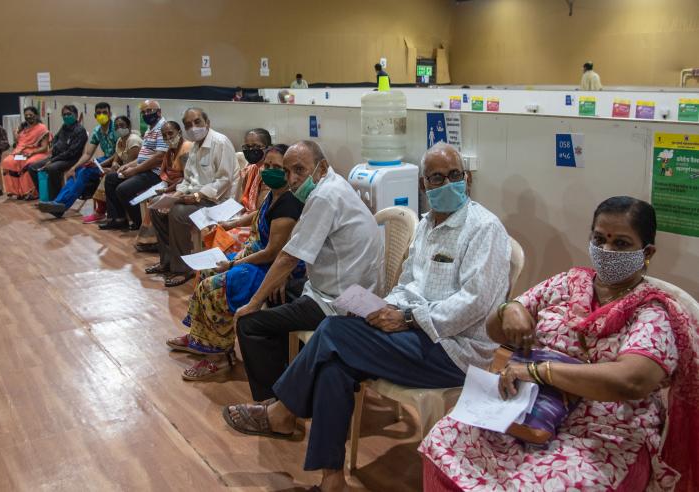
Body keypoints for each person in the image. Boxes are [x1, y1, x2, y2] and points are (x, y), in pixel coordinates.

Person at [223, 143, 511, 492]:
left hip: (453, 349)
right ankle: (332, 480)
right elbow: (407, 282)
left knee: (331, 332)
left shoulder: (484, 228)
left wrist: (406, 319)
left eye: (455, 176)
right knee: (334, 366)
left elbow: (475, 304)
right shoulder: (425, 226)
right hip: (412, 331)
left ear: (466, 178)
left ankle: (282, 412)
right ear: (424, 185)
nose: (448, 183)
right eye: (437, 178)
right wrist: (383, 309)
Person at [421, 196, 699, 492]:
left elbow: (632, 381)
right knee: (445, 439)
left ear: (647, 252)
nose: (606, 250)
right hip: (525, 404)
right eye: (599, 238)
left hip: (602, 430)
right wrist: (509, 309)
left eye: (621, 244)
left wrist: (538, 371)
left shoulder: (652, 311)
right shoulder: (567, 283)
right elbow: (495, 331)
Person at [223, 140, 382, 405]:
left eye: (299, 170)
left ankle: (278, 405)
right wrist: (282, 278)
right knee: (278, 292)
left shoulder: (324, 196)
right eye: (287, 172)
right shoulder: (332, 184)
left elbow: (287, 257)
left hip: (340, 301)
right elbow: (295, 248)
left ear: (321, 168)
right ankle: (298, 379)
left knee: (249, 323)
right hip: (344, 286)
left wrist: (252, 304)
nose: (292, 179)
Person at [167, 144, 306, 380]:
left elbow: (272, 253)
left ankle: (217, 357)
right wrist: (232, 224)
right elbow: (260, 212)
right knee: (205, 271)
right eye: (267, 165)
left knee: (214, 288)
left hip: (269, 268)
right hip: (254, 257)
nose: (270, 171)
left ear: (289, 171)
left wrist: (232, 265)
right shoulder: (275, 193)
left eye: (278, 168)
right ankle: (199, 338)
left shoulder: (290, 203)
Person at [146, 107, 238, 287]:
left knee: (178, 213)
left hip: (218, 201)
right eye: (188, 125)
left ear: (207, 123)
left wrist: (196, 195)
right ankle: (168, 261)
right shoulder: (195, 146)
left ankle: (183, 269)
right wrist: (177, 194)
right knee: (157, 208)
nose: (193, 127)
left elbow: (224, 180)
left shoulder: (220, 142)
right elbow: (188, 179)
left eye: (197, 122)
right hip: (196, 197)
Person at [38, 102, 118, 218]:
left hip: (116, 160)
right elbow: (87, 153)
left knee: (85, 171)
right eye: (99, 113)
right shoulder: (97, 131)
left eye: (104, 113)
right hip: (104, 159)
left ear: (110, 114)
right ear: (95, 116)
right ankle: (58, 203)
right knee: (79, 170)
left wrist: (99, 164)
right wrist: (73, 168)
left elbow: (119, 153)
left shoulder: (115, 129)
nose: (102, 115)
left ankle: (61, 206)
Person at [99, 100, 166, 231]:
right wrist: (128, 165)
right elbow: (143, 156)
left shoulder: (163, 128)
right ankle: (118, 219)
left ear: (159, 112)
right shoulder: (150, 129)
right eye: (144, 112)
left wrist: (135, 170)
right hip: (144, 169)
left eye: (149, 111)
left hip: (155, 173)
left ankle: (141, 223)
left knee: (123, 189)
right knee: (111, 178)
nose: (146, 114)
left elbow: (159, 157)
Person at [134, 121, 191, 252]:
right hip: (170, 185)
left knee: (157, 201)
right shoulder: (170, 151)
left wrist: (167, 190)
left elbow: (187, 177)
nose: (168, 138)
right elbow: (167, 173)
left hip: (185, 188)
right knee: (153, 198)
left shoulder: (186, 147)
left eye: (170, 133)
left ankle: (156, 241)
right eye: (164, 136)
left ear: (180, 132)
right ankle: (156, 241)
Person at [84, 116, 142, 224]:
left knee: (109, 178)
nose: (119, 128)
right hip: (124, 170)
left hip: (135, 171)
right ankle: (112, 216)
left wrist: (114, 170)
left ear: (128, 126)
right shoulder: (120, 140)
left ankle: (111, 215)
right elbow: (117, 159)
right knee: (106, 175)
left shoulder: (133, 140)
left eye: (122, 125)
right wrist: (113, 166)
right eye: (116, 127)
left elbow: (132, 164)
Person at [27, 105, 88, 203]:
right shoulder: (64, 127)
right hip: (57, 157)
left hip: (71, 159)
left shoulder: (80, 130)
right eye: (64, 115)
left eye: (69, 114)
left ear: (76, 115)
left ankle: (56, 199)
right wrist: (54, 150)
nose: (66, 116)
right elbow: (55, 138)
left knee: (51, 168)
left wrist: (52, 160)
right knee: (32, 167)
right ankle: (44, 195)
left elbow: (71, 152)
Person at [1, 106, 50, 199]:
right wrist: (16, 134)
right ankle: (16, 191)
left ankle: (31, 192)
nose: (28, 117)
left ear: (36, 115)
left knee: (27, 163)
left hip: (37, 153)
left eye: (30, 115)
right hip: (21, 153)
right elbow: (18, 143)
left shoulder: (42, 128)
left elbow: (44, 148)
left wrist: (32, 153)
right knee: (8, 161)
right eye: (26, 115)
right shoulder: (23, 127)